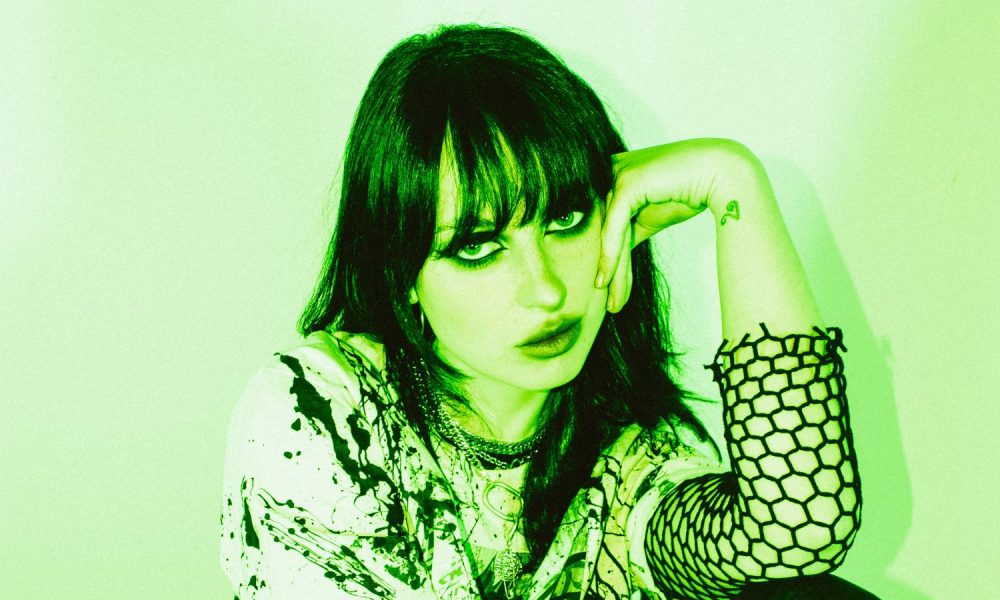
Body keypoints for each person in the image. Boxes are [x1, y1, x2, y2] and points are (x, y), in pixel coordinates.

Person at [220, 24, 867, 599]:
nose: (546, 290)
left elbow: (798, 528)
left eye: (566, 219)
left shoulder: (621, 461)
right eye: (478, 247)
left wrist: (732, 181)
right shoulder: (321, 416)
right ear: (401, 273)